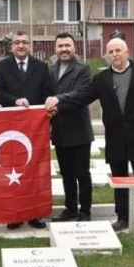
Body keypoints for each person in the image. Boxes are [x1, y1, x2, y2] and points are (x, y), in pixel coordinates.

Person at [45, 38, 134, 233]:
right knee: (119, 179)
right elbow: (81, 98)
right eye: (111, 51)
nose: (115, 54)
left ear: (127, 52)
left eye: (118, 50)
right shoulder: (101, 79)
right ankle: (123, 217)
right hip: (115, 136)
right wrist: (58, 102)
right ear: (107, 55)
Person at [0, 30, 54, 230]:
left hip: (35, 129)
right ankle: (15, 214)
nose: (21, 46)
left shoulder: (41, 67)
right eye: (17, 42)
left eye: (25, 42)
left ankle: (35, 214)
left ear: (30, 46)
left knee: (34, 170)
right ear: (11, 46)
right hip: (11, 129)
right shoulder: (1, 66)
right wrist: (15, 101)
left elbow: (47, 93)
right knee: (12, 172)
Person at [48, 33, 94, 222]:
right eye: (60, 46)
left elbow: (81, 95)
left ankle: (85, 211)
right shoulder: (50, 70)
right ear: (55, 49)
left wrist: (57, 101)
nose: (64, 49)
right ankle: (71, 209)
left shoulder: (83, 69)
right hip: (59, 130)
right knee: (66, 173)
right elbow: (46, 94)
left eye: (67, 45)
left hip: (79, 130)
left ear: (74, 48)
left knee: (82, 173)